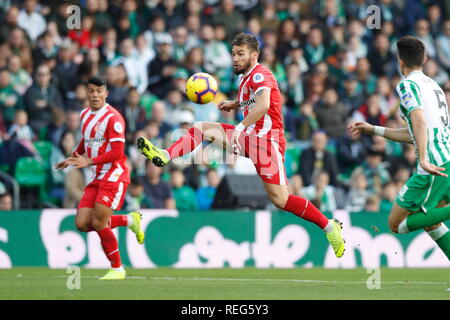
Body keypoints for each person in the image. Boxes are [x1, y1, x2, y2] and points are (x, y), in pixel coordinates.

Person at [137, 33, 345, 258]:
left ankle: (329, 226)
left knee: (281, 200)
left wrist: (240, 125)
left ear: (255, 55)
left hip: (267, 142)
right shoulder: (245, 77)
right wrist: (235, 103)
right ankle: (166, 155)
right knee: (201, 129)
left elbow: (264, 104)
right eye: (233, 54)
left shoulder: (260, 75)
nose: (235, 58)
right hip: (252, 139)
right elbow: (254, 99)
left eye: (240, 54)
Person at [348, 36, 450, 259]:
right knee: (432, 222)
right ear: (424, 58)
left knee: (396, 223)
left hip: (432, 165)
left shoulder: (407, 85)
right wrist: (374, 129)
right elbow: (416, 131)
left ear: (400, 61)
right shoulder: (434, 86)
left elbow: (419, 121)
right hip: (445, 162)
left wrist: (423, 159)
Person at [55, 76, 145, 280]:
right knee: (81, 223)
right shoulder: (85, 114)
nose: (95, 95)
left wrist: (88, 162)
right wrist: (72, 158)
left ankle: (117, 268)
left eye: (99, 91)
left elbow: (117, 152)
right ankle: (130, 220)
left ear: (106, 93)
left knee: (98, 222)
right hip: (95, 176)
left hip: (113, 176)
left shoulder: (114, 118)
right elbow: (86, 142)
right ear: (87, 93)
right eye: (91, 91)